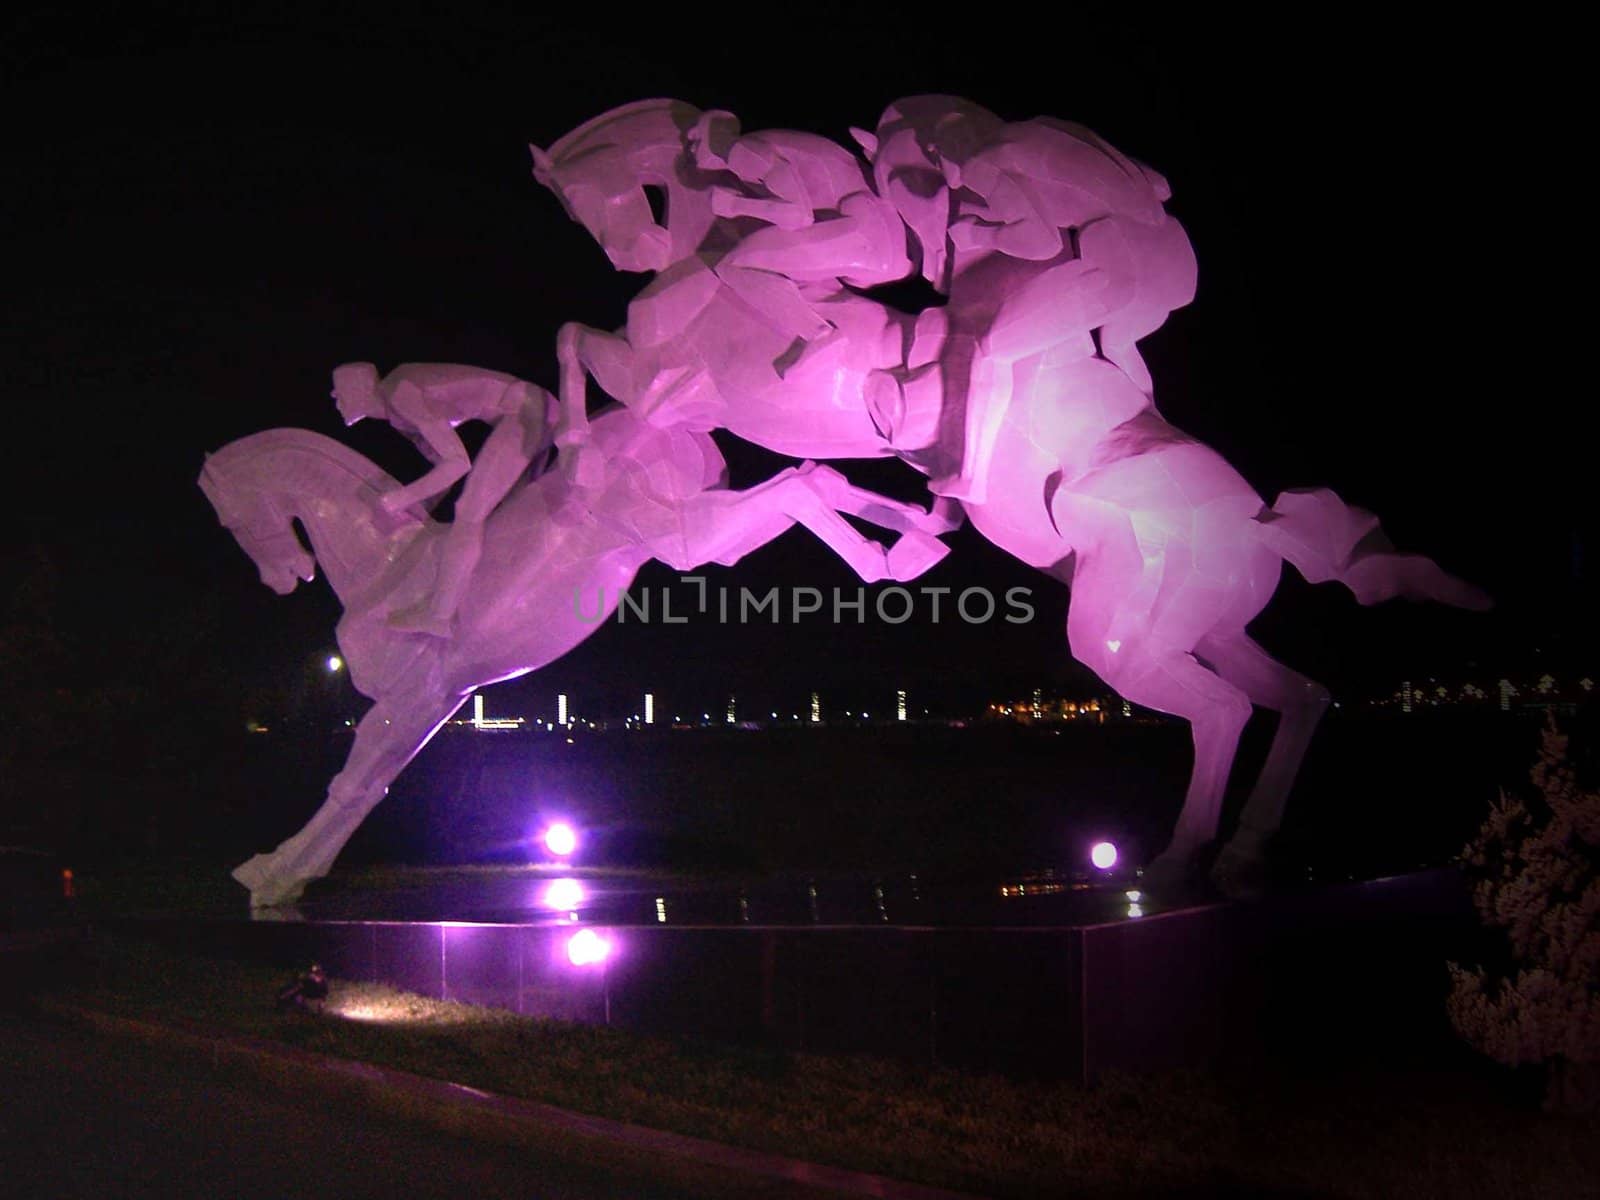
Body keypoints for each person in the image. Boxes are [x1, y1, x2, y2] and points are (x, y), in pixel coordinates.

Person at [331, 362, 557, 636]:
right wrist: (417, 509)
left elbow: (457, 464)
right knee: (502, 517)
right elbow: (441, 471)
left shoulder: (399, 393)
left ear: (361, 387)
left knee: (469, 512)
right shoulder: (397, 413)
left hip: (526, 409)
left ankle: (439, 615)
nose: (335, 396)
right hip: (537, 409)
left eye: (339, 387)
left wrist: (398, 500)